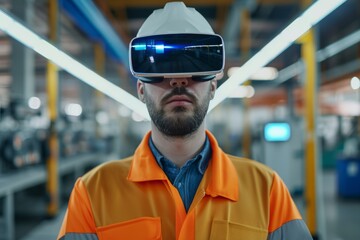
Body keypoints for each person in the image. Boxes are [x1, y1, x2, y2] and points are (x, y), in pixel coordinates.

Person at [58, 2, 313, 239]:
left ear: (213, 86)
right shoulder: (92, 193)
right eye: (159, 70)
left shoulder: (267, 191)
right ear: (141, 89)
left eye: (195, 68)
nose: (178, 80)